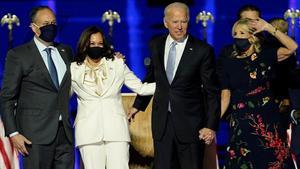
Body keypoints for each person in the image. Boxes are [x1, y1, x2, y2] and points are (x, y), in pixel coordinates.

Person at [128, 2, 220, 169]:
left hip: (191, 124)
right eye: (175, 22)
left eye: (183, 22)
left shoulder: (202, 50)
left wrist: (210, 125)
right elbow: (151, 78)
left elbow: (211, 91)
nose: (179, 27)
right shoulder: (156, 44)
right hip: (162, 124)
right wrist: (137, 105)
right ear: (166, 23)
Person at [71, 26, 155, 169]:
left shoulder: (117, 64)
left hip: (116, 131)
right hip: (88, 132)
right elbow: (62, 96)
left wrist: (170, 85)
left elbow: (141, 88)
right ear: (84, 45)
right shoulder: (73, 69)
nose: (96, 46)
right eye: (92, 43)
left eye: (99, 43)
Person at [0, 6, 74, 169]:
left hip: (65, 135)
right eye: (46, 23)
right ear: (34, 28)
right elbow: (7, 97)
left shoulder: (65, 51)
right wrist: (13, 133)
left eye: (53, 22)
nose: (51, 26)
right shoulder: (19, 55)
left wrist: (112, 59)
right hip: (35, 136)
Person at [218, 18, 297, 168]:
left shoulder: (265, 56)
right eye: (235, 33)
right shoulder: (228, 61)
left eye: (242, 33)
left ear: (252, 36)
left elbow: (292, 47)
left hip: (266, 117)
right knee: (243, 160)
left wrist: (269, 28)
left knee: (270, 159)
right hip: (241, 118)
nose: (238, 37)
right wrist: (212, 123)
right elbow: (225, 95)